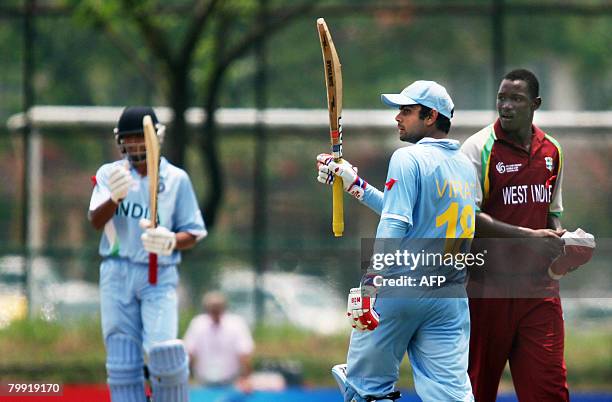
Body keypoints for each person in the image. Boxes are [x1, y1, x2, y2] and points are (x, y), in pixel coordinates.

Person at [317, 81, 476, 402]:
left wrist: (371, 282)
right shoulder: (465, 166)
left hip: (400, 288)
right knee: (452, 396)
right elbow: (405, 211)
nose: (397, 118)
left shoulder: (408, 158)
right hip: (449, 297)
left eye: (406, 110)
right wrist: (355, 184)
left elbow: (394, 221)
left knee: (366, 390)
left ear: (431, 116)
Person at [460, 69, 568, 401]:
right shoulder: (477, 148)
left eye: (516, 99)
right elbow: (468, 219)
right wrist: (526, 236)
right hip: (487, 291)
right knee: (476, 390)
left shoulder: (552, 151)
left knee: (549, 391)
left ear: (535, 104)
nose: (506, 106)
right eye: (501, 98)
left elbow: (552, 217)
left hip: (539, 292)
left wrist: (564, 246)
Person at [88, 106, 207, 402]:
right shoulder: (110, 174)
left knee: (163, 353)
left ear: (156, 137)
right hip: (116, 271)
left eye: (142, 138)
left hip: (159, 273)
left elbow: (192, 233)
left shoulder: (176, 179)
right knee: (121, 361)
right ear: (121, 142)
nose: (136, 145)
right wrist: (114, 198)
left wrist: (169, 241)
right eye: (130, 140)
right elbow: (95, 221)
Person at [183, 291, 254, 391]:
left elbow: (244, 354)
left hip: (230, 383)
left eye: (218, 308)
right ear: (207, 309)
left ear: (224, 308)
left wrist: (246, 379)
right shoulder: (197, 323)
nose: (215, 311)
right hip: (203, 383)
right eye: (212, 308)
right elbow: (189, 353)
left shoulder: (237, 324)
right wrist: (187, 379)